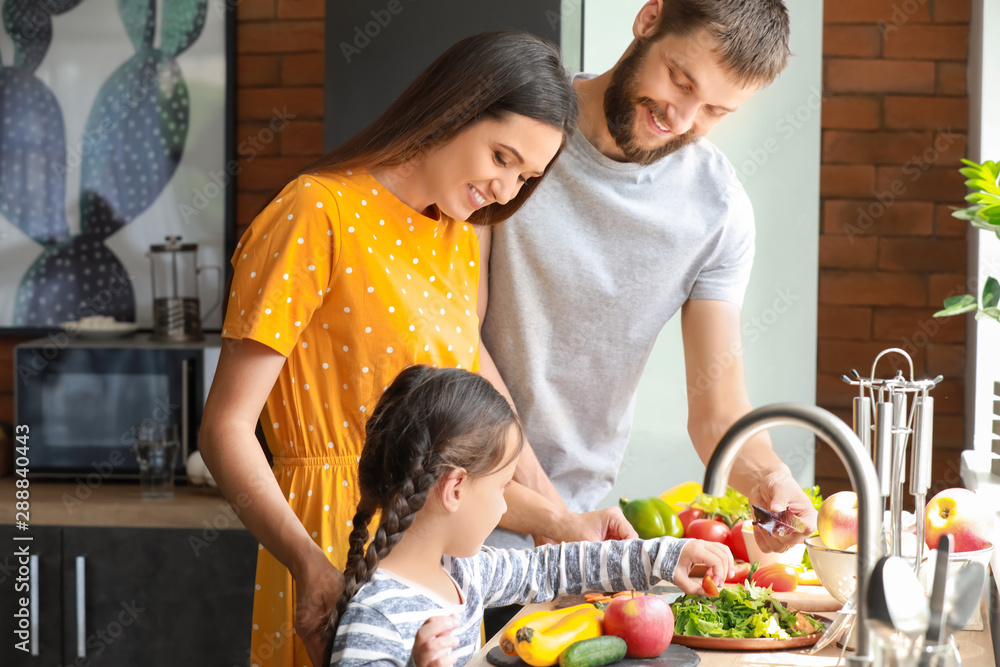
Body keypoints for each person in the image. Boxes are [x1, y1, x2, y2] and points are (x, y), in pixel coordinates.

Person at [199, 31, 630, 667]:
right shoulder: (317, 213)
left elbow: (446, 461)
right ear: (455, 108)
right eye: (501, 156)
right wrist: (310, 566)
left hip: (436, 572)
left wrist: (560, 526)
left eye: (527, 176)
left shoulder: (457, 236)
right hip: (327, 548)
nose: (507, 190)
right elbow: (225, 430)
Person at [479, 1, 817, 563]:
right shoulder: (515, 130)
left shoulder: (717, 210)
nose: (681, 119)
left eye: (713, 110)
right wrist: (550, 515)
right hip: (445, 508)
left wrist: (768, 478)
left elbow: (717, 410)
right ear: (649, 18)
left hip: (575, 528)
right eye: (680, 81)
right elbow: (452, 336)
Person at [324, 365, 734, 667]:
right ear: (455, 489)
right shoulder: (375, 616)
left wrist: (667, 556)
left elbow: (552, 568)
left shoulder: (464, 572)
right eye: (503, 488)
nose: (506, 507)